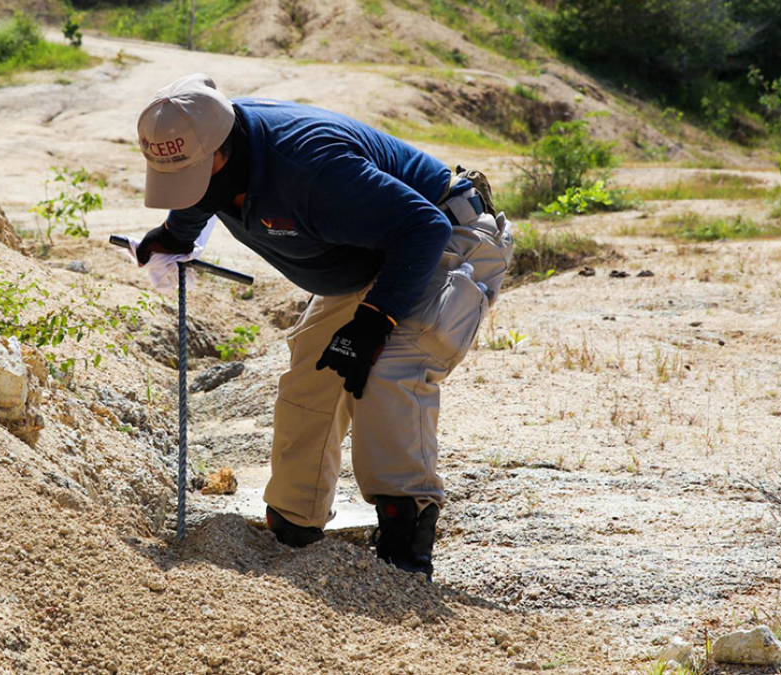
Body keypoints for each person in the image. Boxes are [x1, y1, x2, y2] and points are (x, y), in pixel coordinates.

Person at [132, 73, 513, 578]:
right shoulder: (208, 139)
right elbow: (198, 195)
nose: (191, 190)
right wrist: (173, 235)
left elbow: (423, 228)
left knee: (385, 371)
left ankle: (405, 538)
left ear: (222, 153)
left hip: (443, 239)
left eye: (194, 176)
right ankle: (295, 522)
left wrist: (374, 323)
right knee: (312, 374)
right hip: (372, 251)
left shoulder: (310, 169)